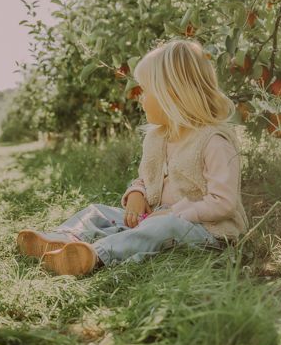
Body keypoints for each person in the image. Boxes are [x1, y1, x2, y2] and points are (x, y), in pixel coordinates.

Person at [15, 38, 250, 276]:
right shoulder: (158, 138)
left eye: (146, 91)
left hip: (207, 231)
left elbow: (224, 202)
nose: (140, 98)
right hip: (157, 216)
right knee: (98, 211)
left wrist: (175, 213)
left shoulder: (213, 142)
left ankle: (95, 255)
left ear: (172, 96)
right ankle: (60, 240)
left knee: (161, 227)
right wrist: (137, 192)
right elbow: (146, 179)